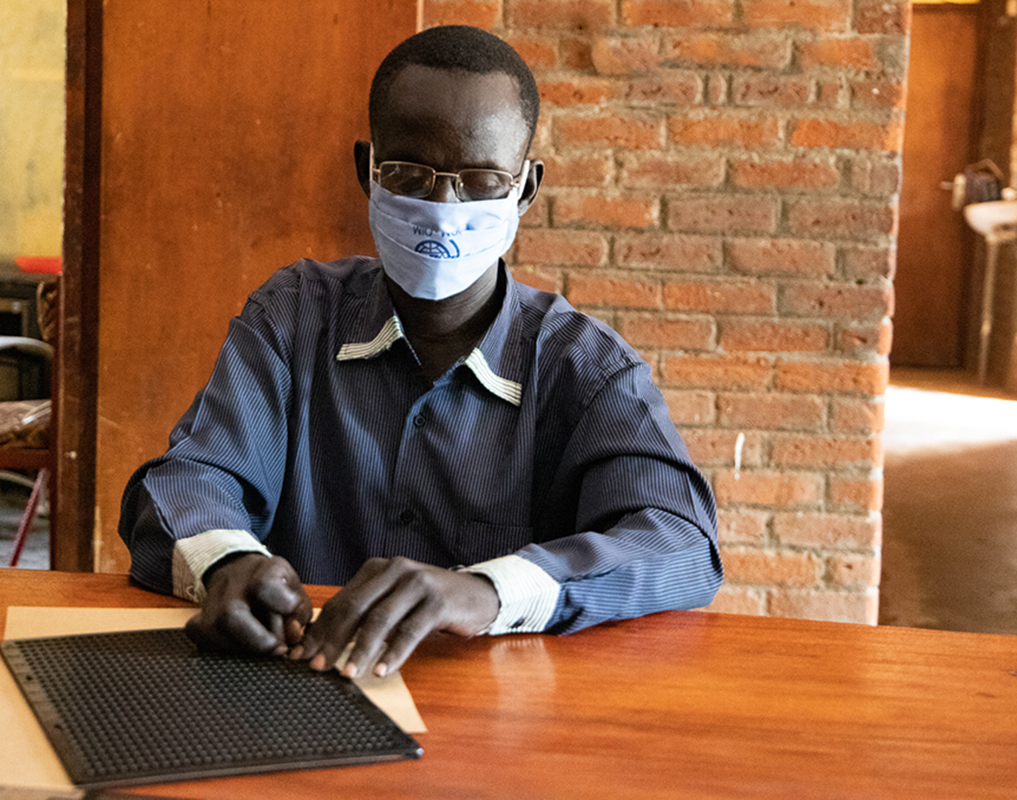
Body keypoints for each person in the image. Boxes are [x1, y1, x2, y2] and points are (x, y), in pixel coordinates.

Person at [119, 25, 721, 680]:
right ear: (365, 171)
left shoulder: (587, 367)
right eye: (408, 173)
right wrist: (226, 564)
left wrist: (487, 591)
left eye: (482, 179)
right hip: (298, 691)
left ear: (526, 187)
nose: (443, 206)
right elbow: (186, 481)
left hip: (499, 719)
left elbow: (679, 545)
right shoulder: (294, 317)